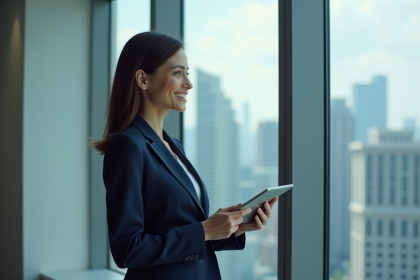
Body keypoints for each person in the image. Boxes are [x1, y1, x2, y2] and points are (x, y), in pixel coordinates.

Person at [93, 31, 279, 280]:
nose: (188, 84)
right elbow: (127, 249)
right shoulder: (128, 146)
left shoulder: (173, 145)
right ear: (142, 79)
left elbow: (180, 232)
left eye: (187, 73)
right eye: (178, 73)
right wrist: (204, 230)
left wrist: (235, 228)